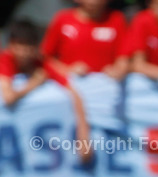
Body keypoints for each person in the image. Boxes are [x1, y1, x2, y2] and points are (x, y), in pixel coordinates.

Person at [1, 19, 94, 164]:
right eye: (20, 46)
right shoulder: (4, 60)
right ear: (11, 45)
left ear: (36, 47)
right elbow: (9, 98)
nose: (24, 52)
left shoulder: (41, 64)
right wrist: (34, 83)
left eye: (28, 46)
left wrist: (83, 137)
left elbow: (74, 93)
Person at [41, 0, 128, 79]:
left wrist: (118, 70)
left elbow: (123, 57)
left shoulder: (116, 19)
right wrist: (67, 70)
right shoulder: (63, 19)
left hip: (105, 83)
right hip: (69, 84)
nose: (93, 2)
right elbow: (46, 57)